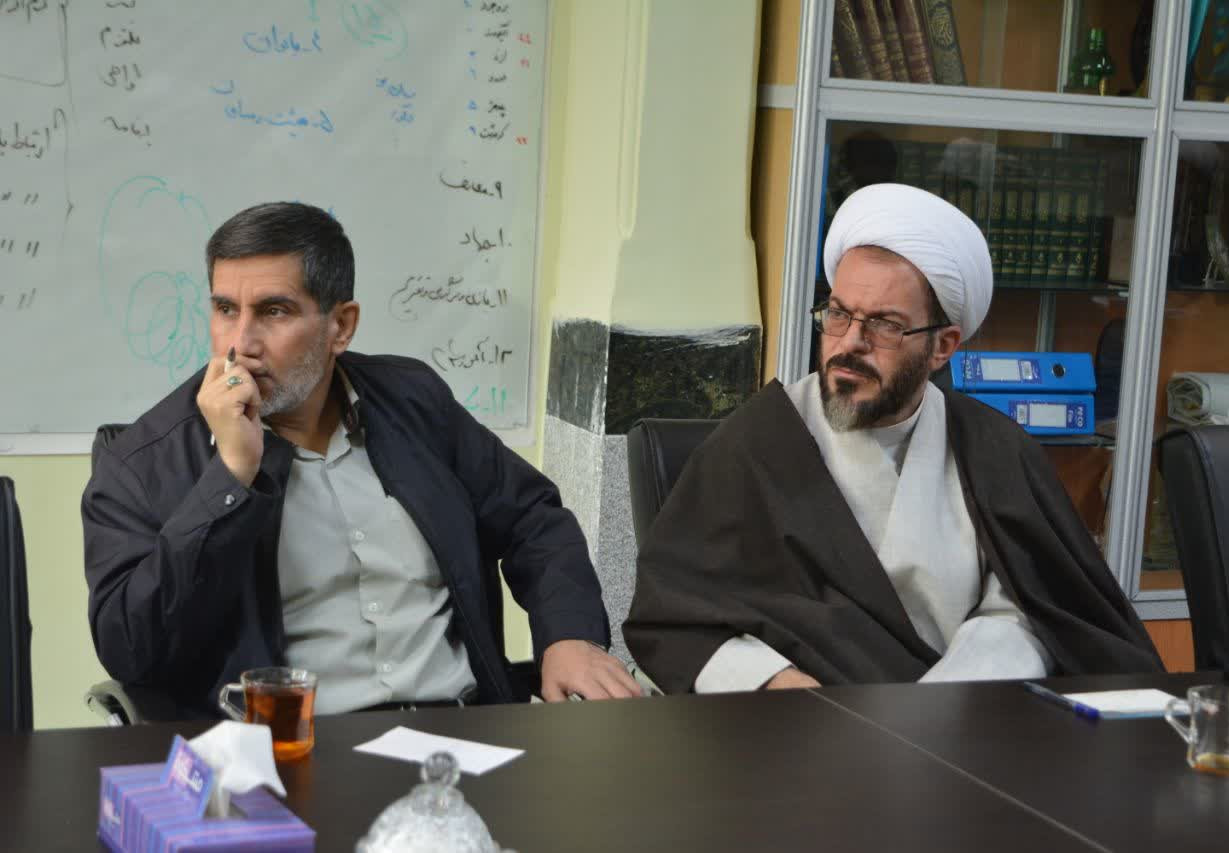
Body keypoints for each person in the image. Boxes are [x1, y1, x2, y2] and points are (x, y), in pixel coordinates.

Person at [83, 201, 641, 716]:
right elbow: (131, 650)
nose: (241, 343)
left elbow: (531, 518)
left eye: (274, 311)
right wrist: (230, 477)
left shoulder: (413, 401)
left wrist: (569, 636)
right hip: (289, 751)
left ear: (341, 326)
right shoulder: (142, 463)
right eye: (226, 309)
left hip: (462, 732)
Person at [624, 183, 1163, 694]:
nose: (849, 344)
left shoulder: (994, 449)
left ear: (943, 346)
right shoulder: (757, 444)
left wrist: (948, 698)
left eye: (884, 325)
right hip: (805, 729)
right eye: (839, 314)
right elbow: (674, 615)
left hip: (967, 726)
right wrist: (774, 682)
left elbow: (1038, 610)